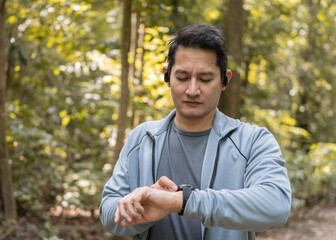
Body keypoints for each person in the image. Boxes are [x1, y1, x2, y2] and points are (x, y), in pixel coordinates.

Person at [99, 23, 291, 240]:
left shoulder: (253, 140)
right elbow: (108, 212)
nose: (192, 90)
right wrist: (143, 211)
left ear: (224, 80)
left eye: (205, 79)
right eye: (182, 77)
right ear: (167, 76)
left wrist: (183, 201)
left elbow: (277, 205)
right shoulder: (141, 138)